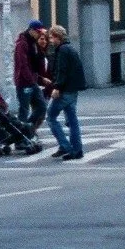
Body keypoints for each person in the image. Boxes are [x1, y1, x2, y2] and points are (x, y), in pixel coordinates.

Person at [44, 23, 85, 159]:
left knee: (50, 117)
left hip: (64, 90)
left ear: (57, 37)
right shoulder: (70, 48)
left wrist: (57, 87)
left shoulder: (62, 50)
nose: (50, 41)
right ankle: (76, 149)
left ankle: (66, 146)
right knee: (72, 120)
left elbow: (62, 70)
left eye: (51, 38)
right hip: (73, 90)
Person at [12, 19, 48, 136]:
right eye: (38, 32)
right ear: (31, 30)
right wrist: (31, 80)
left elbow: (37, 64)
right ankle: (22, 135)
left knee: (42, 107)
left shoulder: (34, 43)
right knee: (24, 110)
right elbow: (23, 64)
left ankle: (27, 130)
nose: (40, 34)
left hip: (32, 81)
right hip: (24, 82)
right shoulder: (22, 43)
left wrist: (42, 51)